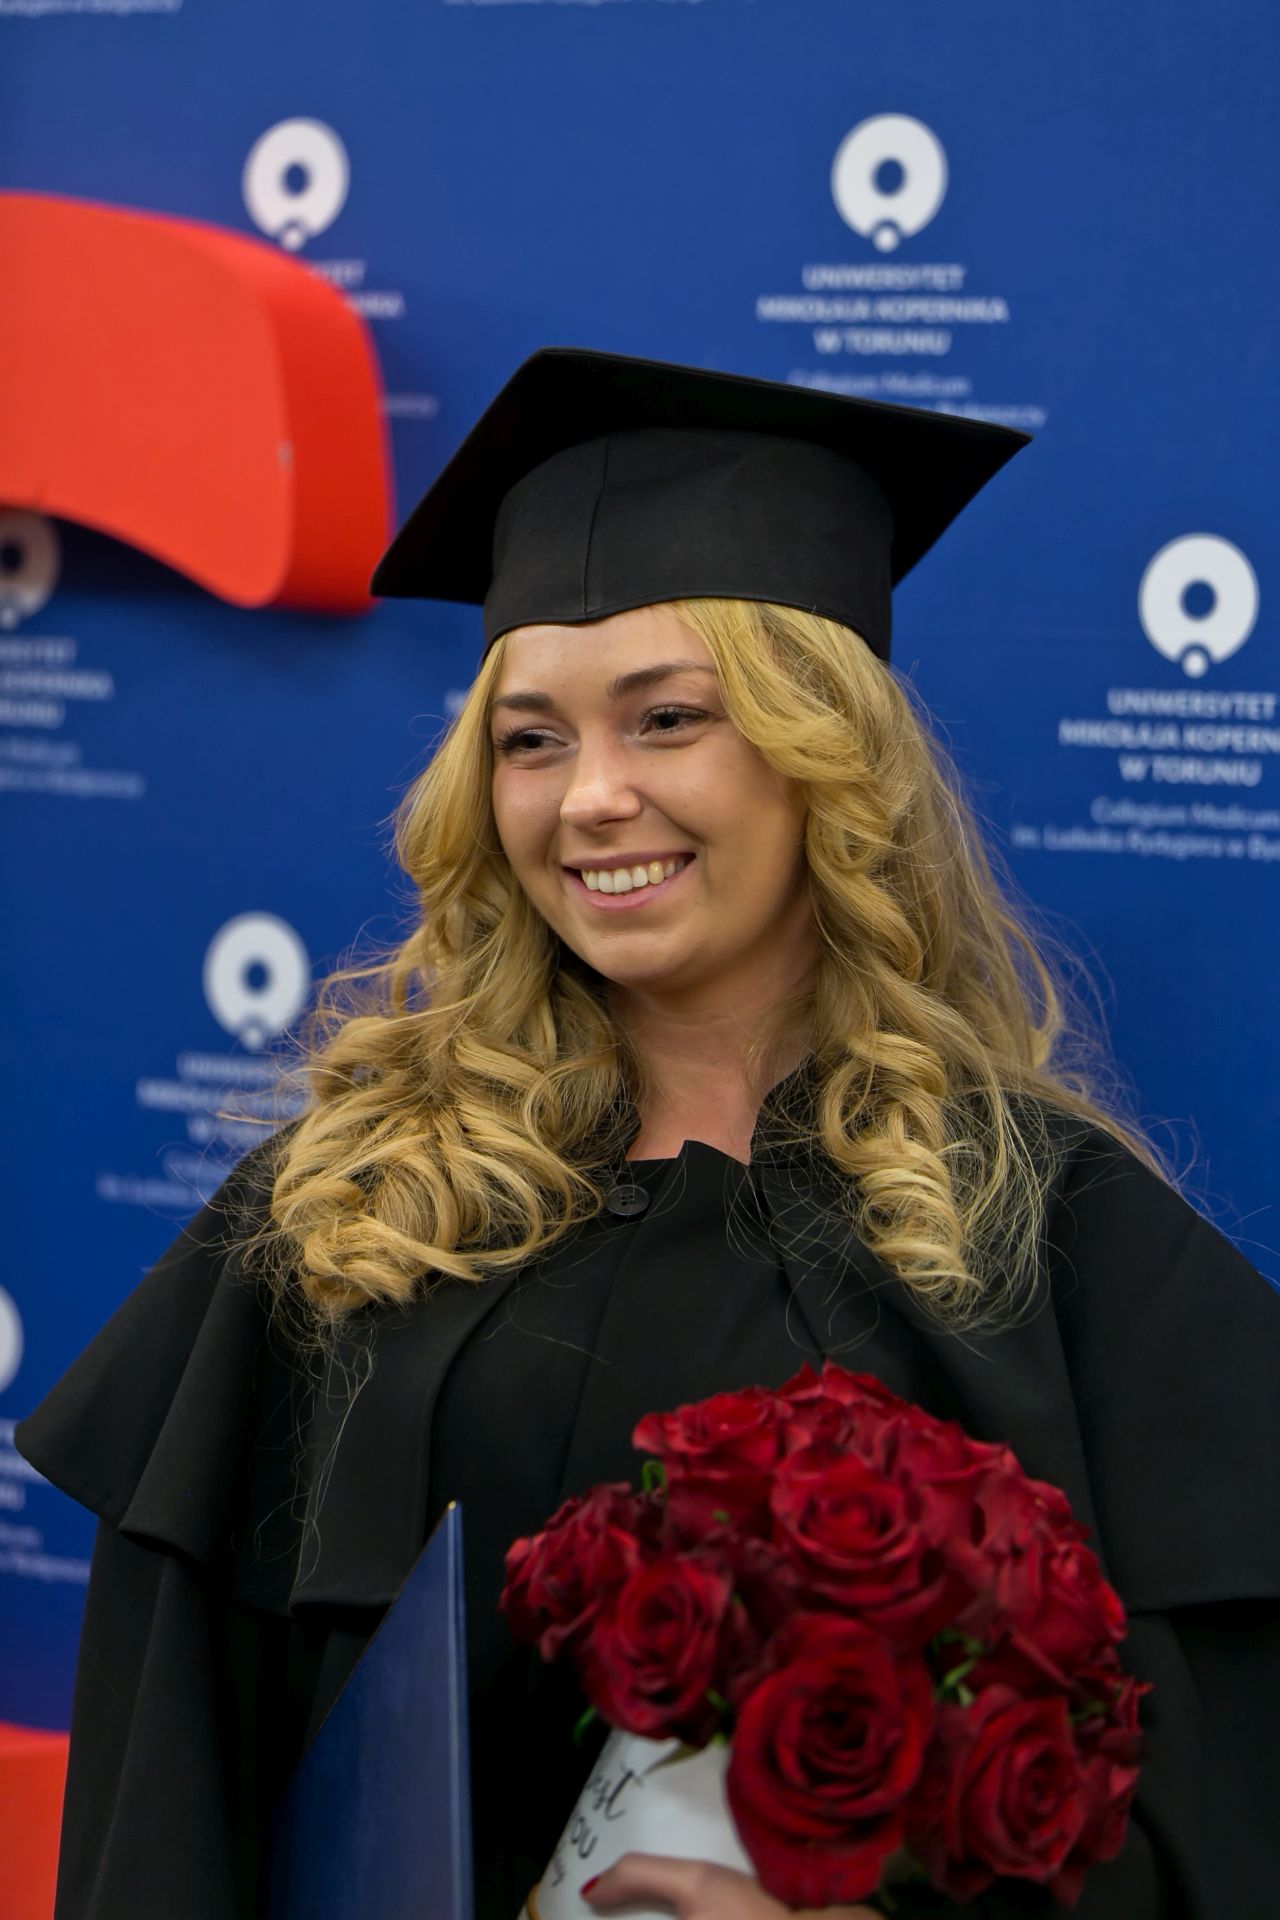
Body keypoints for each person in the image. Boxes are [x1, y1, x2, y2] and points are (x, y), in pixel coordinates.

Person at [16, 348, 1280, 1920]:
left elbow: (1211, 1818)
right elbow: (162, 1793)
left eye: (667, 719)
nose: (591, 797)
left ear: (826, 756)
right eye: (531, 739)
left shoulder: (1042, 1227)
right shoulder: (353, 1206)